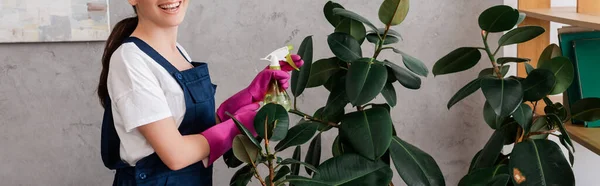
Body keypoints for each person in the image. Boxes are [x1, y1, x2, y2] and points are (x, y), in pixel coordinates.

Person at [96, 0, 304, 185]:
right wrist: (240, 127)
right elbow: (176, 154)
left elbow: (196, 130)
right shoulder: (130, 60)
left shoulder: (178, 51)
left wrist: (249, 96)